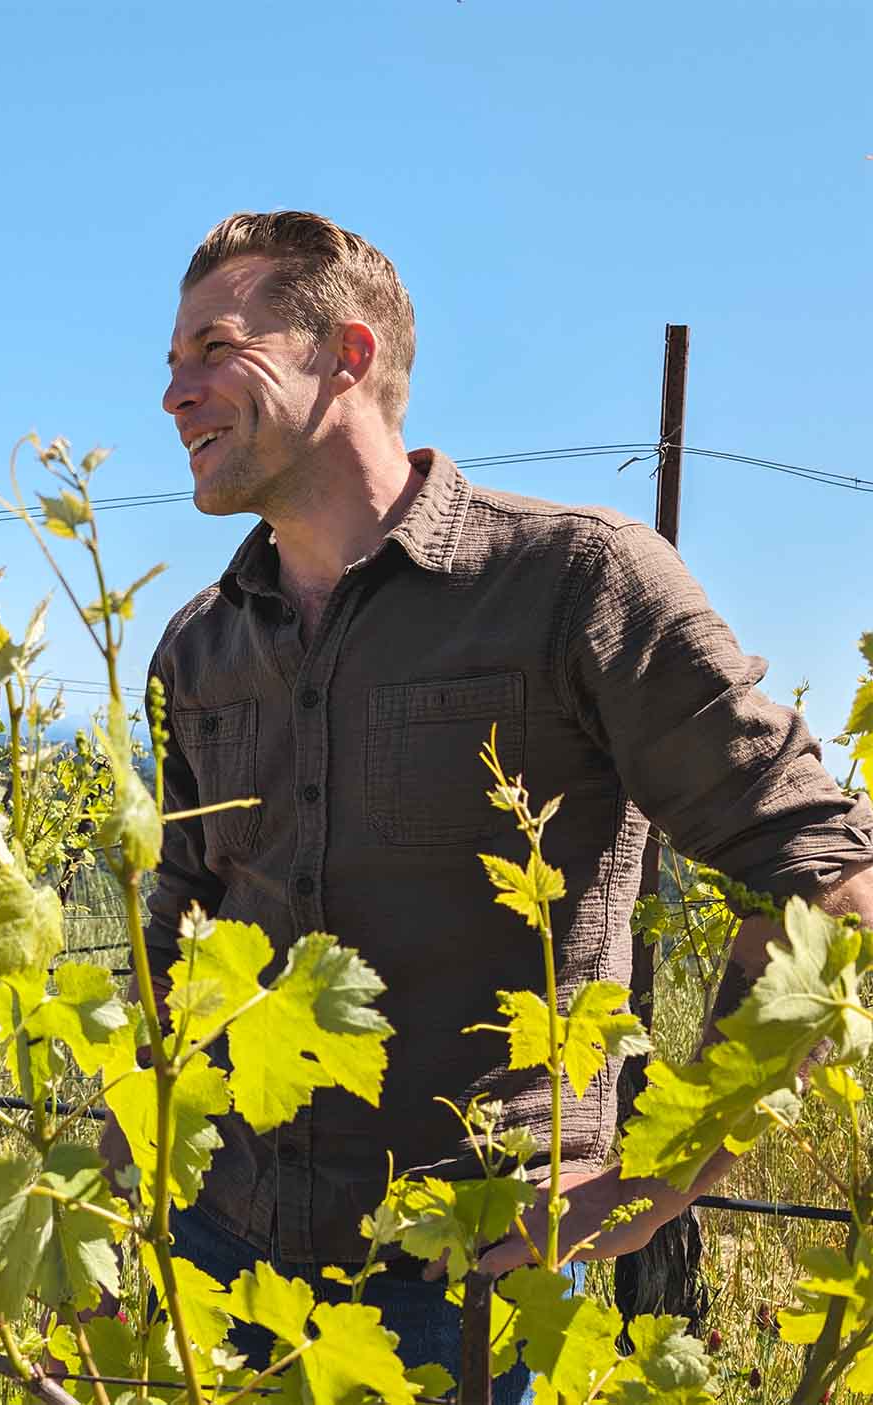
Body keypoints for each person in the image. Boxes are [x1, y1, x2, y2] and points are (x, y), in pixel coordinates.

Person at [141, 211, 873, 1395]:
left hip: (471, 1283)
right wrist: (148, 1143)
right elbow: (183, 903)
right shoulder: (197, 647)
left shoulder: (574, 582)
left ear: (348, 355)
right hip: (217, 1247)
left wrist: (659, 1175)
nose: (174, 395)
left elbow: (828, 873)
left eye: (213, 348)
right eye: (170, 364)